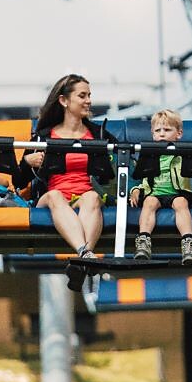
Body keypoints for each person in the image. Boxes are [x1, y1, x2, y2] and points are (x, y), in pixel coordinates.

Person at [21, 74, 113, 261]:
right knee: (55, 196)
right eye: (82, 96)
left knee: (92, 197)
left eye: (89, 95)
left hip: (85, 195)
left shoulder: (99, 134)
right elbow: (18, 180)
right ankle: (85, 255)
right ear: (63, 100)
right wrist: (27, 162)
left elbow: (121, 163)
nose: (88, 101)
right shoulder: (42, 137)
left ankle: (84, 255)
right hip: (53, 198)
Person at [128, 108, 192, 265]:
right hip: (155, 194)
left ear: (179, 133)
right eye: (157, 130)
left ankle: (188, 243)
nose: (162, 134)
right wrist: (135, 190)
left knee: (180, 202)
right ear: (153, 134)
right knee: (149, 202)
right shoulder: (149, 155)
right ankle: (143, 241)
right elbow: (143, 181)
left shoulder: (183, 154)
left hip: (178, 194)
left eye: (167, 129)